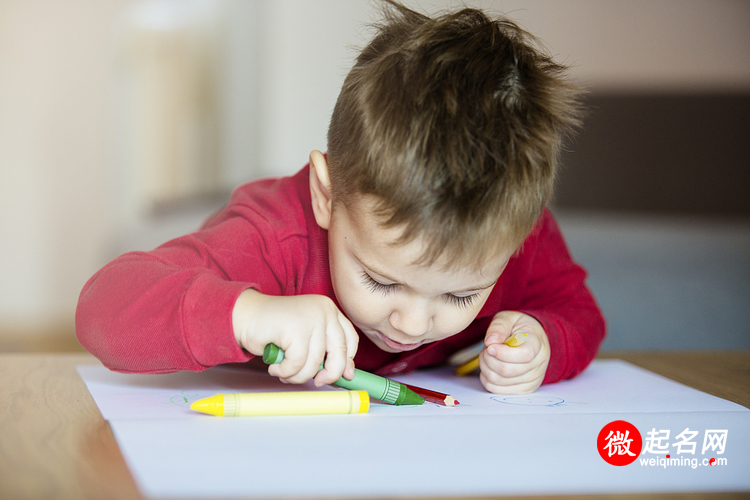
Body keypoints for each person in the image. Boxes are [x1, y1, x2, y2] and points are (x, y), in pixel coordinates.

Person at [76, 0, 605, 395]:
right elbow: (103, 308)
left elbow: (580, 313)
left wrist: (544, 341)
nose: (413, 325)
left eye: (461, 296)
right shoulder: (273, 236)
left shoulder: (508, 231)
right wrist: (248, 313)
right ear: (326, 195)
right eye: (381, 279)